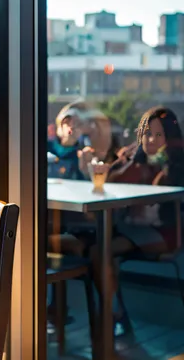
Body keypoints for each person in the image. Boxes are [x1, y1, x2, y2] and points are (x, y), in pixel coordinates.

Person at [71, 107, 184, 336]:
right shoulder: (135, 158)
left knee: (100, 252)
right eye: (147, 134)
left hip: (164, 232)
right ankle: (112, 315)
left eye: (159, 135)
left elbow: (166, 194)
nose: (152, 140)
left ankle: (111, 317)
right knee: (91, 248)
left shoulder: (176, 163)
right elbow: (108, 180)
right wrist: (128, 161)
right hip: (129, 227)